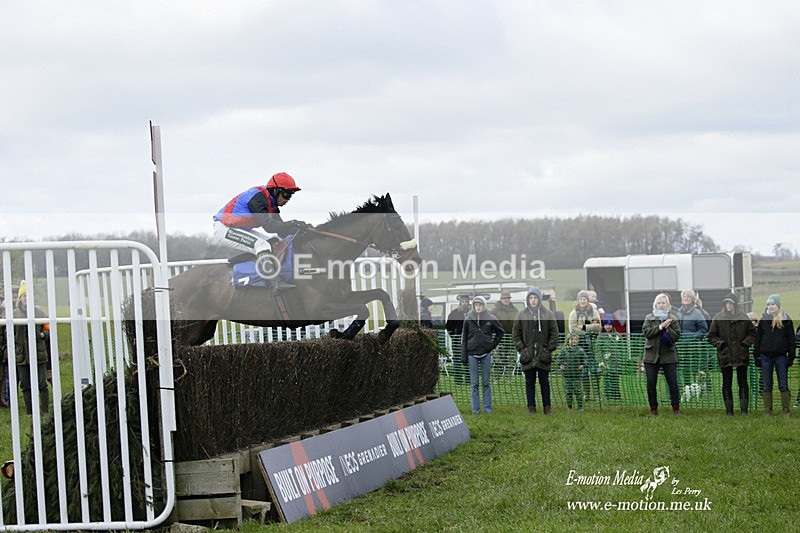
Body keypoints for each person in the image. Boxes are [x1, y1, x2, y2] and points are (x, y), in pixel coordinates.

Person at [212, 172, 310, 290]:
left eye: (290, 195)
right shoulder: (257, 197)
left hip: (236, 229)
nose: (287, 199)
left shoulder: (272, 205)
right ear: (275, 190)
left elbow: (282, 231)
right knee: (262, 245)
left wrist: (304, 230)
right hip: (224, 229)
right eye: (286, 194)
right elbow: (269, 226)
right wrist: (293, 223)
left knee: (273, 242)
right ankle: (274, 282)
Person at [512, 287, 559, 414]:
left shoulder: (548, 314)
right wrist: (522, 350)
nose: (533, 300)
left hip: (543, 355)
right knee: (529, 383)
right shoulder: (521, 315)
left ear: (539, 299)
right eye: (531, 298)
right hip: (528, 355)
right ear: (528, 299)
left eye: (535, 298)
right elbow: (516, 334)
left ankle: (547, 407)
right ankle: (531, 408)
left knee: (544, 382)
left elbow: (554, 333)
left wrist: (548, 349)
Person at [707, 293, 756, 415]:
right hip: (725, 355)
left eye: (731, 303)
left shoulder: (743, 317)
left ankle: (744, 411)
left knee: (742, 382)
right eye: (726, 303)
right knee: (726, 383)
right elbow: (711, 336)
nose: (728, 305)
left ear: (735, 304)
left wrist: (745, 344)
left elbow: (752, 332)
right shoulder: (718, 318)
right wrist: (721, 344)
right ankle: (729, 411)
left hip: (741, 354)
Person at [753, 294, 795, 417]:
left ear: (778, 305)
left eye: (773, 304)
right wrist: (756, 355)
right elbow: (758, 339)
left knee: (783, 384)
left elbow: (791, 340)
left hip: (781, 357)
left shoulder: (786, 320)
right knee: (767, 385)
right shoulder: (763, 321)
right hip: (766, 357)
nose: (770, 307)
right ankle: (768, 411)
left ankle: (786, 411)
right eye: (769, 304)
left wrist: (791, 356)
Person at [461, 296, 504, 414]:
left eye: (480, 305)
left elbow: (500, 332)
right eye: (476, 305)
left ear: (484, 305)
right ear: (473, 306)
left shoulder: (491, 318)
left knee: (486, 383)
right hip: (472, 355)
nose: (478, 307)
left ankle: (488, 410)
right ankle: (475, 411)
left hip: (486, 355)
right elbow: (464, 338)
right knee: (474, 384)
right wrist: (464, 357)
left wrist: (492, 345)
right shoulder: (468, 319)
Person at [12, 281, 50, 415]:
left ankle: (45, 411)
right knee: (25, 384)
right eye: (24, 296)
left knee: (41, 383)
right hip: (22, 355)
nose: (26, 298)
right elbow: (7, 331)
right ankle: (30, 412)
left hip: (38, 354)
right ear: (20, 298)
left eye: (28, 295)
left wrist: (43, 335)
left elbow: (49, 329)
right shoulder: (13, 314)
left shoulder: (39, 313)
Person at [642, 293, 682, 416]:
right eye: (659, 303)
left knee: (673, 383)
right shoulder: (649, 317)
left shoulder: (673, 318)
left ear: (668, 305)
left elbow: (676, 336)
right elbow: (647, 333)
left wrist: (667, 328)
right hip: (651, 356)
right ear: (655, 305)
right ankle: (653, 408)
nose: (661, 305)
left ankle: (676, 408)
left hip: (669, 355)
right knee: (651, 383)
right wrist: (660, 327)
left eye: (663, 303)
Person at [568, 290, 601, 402]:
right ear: (578, 300)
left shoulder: (594, 312)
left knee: (595, 371)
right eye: (581, 299)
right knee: (583, 371)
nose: (582, 301)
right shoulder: (573, 313)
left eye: (584, 299)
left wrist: (583, 327)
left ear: (588, 300)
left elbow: (597, 326)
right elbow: (572, 329)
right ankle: (587, 394)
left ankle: (597, 394)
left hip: (592, 344)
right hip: (579, 344)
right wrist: (587, 331)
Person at [677, 289, 710, 390]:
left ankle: (702, 388)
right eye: (684, 297)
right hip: (682, 346)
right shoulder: (678, 312)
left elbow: (703, 329)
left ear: (692, 299)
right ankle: (687, 387)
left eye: (688, 297)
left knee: (697, 368)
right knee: (684, 368)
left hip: (694, 346)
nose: (686, 299)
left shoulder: (697, 313)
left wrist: (693, 337)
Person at [595, 317, 624, 401]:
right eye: (606, 325)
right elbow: (598, 349)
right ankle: (608, 395)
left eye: (610, 325)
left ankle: (616, 395)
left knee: (615, 379)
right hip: (606, 361)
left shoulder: (617, 335)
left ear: (612, 326)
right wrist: (600, 361)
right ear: (603, 326)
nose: (608, 327)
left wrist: (622, 358)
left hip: (616, 361)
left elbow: (622, 348)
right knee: (607, 378)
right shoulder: (601, 336)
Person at [492, 291, 519, 375]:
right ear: (501, 299)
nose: (506, 300)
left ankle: (508, 377)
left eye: (508, 298)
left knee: (511, 359)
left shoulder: (515, 310)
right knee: (497, 359)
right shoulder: (495, 310)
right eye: (504, 298)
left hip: (511, 338)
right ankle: (497, 377)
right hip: (499, 338)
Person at [445, 295, 471, 384]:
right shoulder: (454, 313)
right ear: (460, 302)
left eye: (466, 301)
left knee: (468, 360)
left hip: (469, 340)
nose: (464, 303)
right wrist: (454, 336)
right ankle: (458, 379)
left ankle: (468, 379)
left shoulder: (471, 313)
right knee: (457, 360)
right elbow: (448, 326)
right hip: (457, 340)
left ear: (468, 303)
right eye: (463, 301)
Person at [558, 333, 588, 411]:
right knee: (568, 391)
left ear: (578, 341)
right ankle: (569, 406)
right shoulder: (564, 350)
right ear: (568, 341)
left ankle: (580, 406)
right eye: (572, 339)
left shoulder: (580, 350)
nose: (574, 341)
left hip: (577, 374)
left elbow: (585, 359)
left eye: (576, 339)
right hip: (567, 374)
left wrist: (582, 364)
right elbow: (559, 358)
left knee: (578, 391)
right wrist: (560, 364)